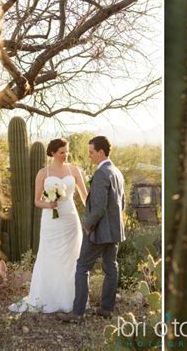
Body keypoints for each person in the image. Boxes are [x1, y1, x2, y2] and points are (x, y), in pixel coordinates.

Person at [8, 138, 88, 313]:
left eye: (67, 151)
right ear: (52, 153)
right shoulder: (43, 173)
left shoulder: (74, 170)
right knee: (50, 256)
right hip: (51, 221)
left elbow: (84, 196)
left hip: (70, 220)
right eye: (61, 152)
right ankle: (48, 298)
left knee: (71, 259)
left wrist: (92, 214)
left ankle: (73, 299)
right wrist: (49, 204)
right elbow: (38, 201)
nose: (65, 154)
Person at [58, 136, 125, 322]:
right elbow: (122, 204)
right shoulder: (117, 172)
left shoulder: (103, 173)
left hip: (99, 231)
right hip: (115, 231)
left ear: (101, 153)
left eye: (91, 152)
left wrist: (87, 226)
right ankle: (106, 309)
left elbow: (100, 207)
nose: (89, 156)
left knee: (82, 267)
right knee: (111, 268)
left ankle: (77, 313)